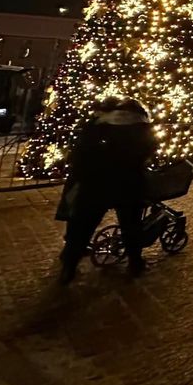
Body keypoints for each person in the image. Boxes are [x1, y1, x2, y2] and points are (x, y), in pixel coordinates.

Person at [58, 98, 156, 283]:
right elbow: (148, 150)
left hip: (95, 182)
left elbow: (79, 152)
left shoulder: (97, 125)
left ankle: (69, 266)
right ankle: (135, 262)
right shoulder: (140, 127)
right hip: (128, 182)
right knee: (131, 224)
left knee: (83, 225)